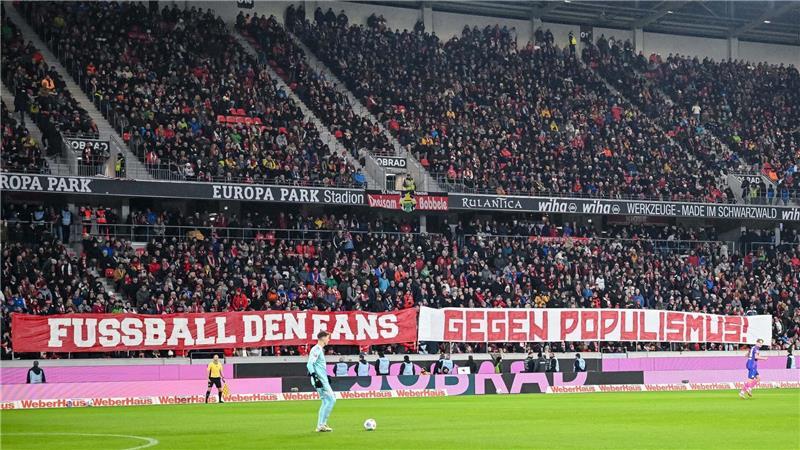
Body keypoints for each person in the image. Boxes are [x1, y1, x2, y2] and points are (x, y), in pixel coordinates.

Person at [307, 331, 335, 432]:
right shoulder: (316, 349)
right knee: (332, 400)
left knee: (325, 401)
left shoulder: (319, 350)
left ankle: (320, 425)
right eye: (328, 337)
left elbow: (316, 366)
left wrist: (326, 375)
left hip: (322, 379)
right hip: (320, 380)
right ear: (323, 338)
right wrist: (315, 377)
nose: (329, 340)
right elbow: (309, 364)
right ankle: (322, 424)